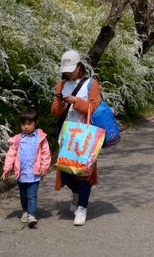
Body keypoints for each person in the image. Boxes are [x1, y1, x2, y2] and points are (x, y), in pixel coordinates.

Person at [51, 49, 101, 226]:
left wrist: (76, 101)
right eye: (66, 70)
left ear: (80, 66)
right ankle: (77, 194)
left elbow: (94, 107)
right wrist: (62, 104)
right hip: (66, 135)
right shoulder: (61, 85)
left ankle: (82, 208)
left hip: (85, 136)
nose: (68, 73)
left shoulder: (90, 84)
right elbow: (55, 112)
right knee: (66, 173)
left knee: (83, 174)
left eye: (72, 69)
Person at [1, 109, 51, 228]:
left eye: (29, 124)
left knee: (32, 194)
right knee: (23, 194)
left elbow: (46, 153)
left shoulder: (40, 138)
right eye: (24, 124)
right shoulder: (18, 139)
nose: (26, 127)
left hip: (35, 173)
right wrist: (6, 168)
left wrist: (44, 167)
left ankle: (31, 215)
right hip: (21, 173)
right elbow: (11, 154)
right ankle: (25, 211)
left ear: (35, 123)